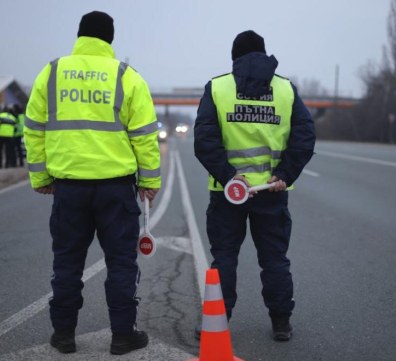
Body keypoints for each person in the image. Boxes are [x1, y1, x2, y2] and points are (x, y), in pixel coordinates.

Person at [24, 11, 161, 355]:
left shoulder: (51, 73)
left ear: (79, 36)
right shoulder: (126, 76)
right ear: (109, 39)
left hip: (69, 189)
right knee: (121, 263)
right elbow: (145, 135)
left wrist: (40, 177)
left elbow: (34, 129)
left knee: (67, 262)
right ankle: (122, 335)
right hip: (116, 190)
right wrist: (149, 181)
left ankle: (65, 335)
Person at [194, 30, 316, 341]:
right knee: (274, 258)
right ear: (263, 54)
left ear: (234, 58)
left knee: (224, 258)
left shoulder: (218, 88)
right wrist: (284, 174)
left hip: (227, 194)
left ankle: (217, 321)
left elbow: (204, 141)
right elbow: (304, 137)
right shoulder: (286, 90)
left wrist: (229, 177)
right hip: (271, 192)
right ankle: (281, 323)